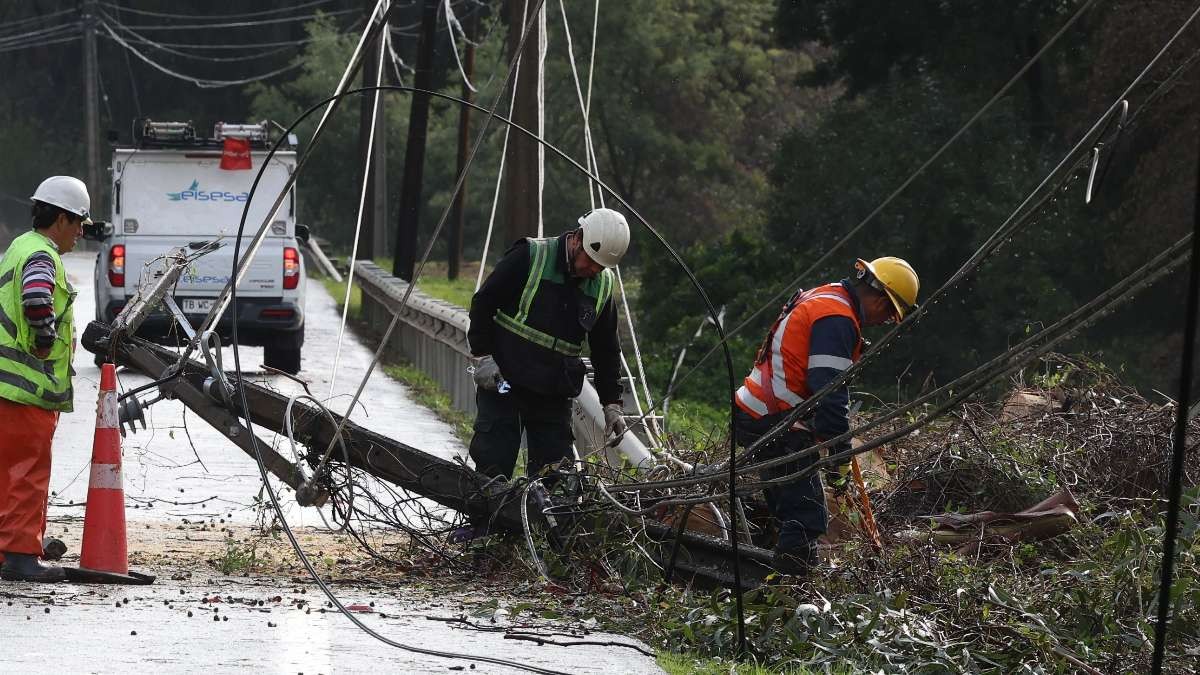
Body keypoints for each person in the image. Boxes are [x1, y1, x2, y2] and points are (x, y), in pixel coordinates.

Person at [735, 256, 919, 574]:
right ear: (878, 296)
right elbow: (829, 393)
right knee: (807, 518)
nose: (885, 320)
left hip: (759, 414)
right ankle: (788, 599)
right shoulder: (837, 318)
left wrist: (834, 454)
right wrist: (840, 457)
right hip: (775, 421)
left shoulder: (830, 295)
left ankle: (779, 584)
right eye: (889, 312)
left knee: (790, 510)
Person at [460, 208, 631, 536]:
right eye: (590, 261)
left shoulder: (601, 285)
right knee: (494, 459)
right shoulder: (531, 256)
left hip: (553, 392)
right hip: (505, 382)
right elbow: (484, 303)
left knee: (556, 475)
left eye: (600, 267)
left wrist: (612, 403)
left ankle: (543, 541)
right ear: (577, 239)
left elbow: (607, 349)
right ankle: (484, 536)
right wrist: (482, 357)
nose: (592, 270)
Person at [0, 176, 89, 582]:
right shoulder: (42, 255)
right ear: (63, 220)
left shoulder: (18, 246)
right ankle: (20, 556)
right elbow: (37, 297)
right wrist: (44, 337)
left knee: (6, 472)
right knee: (27, 471)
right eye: (80, 223)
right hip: (27, 388)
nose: (81, 232)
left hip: (7, 385)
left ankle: (8, 550)